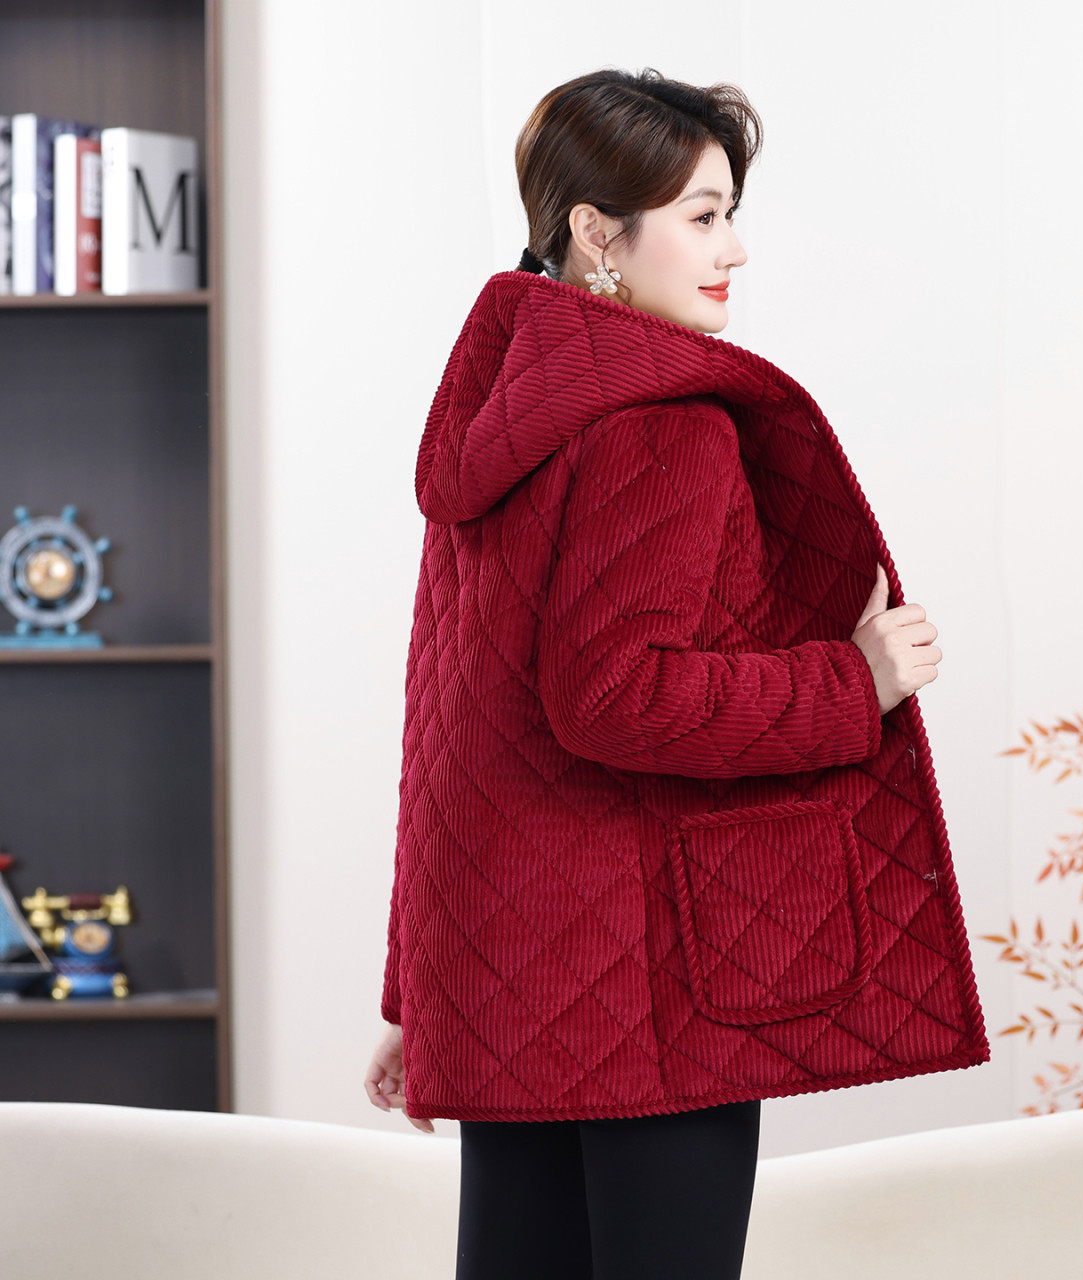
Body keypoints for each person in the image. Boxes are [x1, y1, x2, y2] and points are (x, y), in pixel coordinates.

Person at [365, 68, 988, 1280]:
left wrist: (420, 992)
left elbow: (449, 732)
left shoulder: (500, 425)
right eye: (702, 216)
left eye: (727, 213)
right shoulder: (660, 421)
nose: (733, 248)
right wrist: (850, 681)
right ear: (597, 233)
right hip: (646, 988)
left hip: (506, 976)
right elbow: (613, 696)